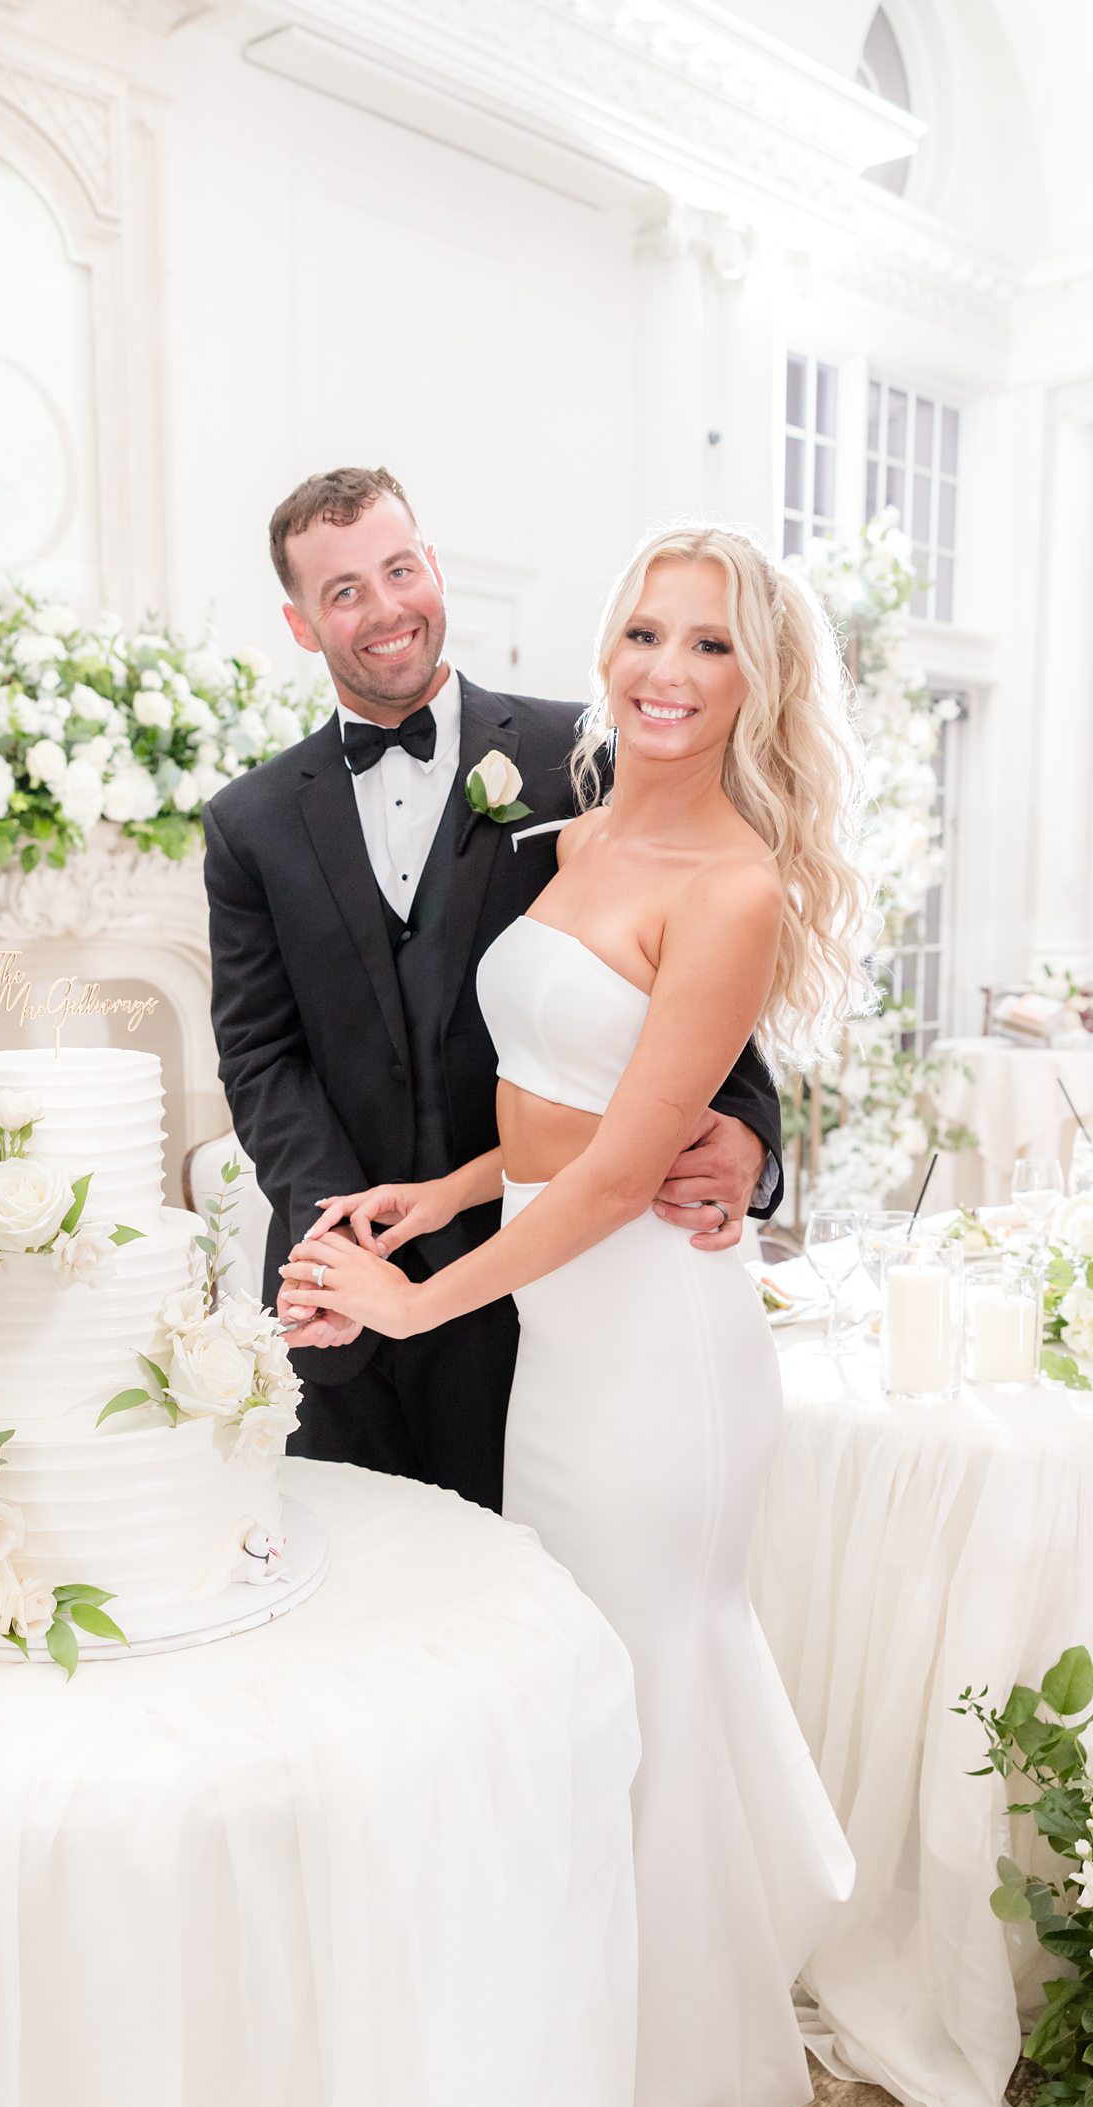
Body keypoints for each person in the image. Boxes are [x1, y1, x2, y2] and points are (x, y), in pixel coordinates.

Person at [282, 525, 864, 2107]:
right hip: (567, 1344)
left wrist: (414, 1300)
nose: (667, 674)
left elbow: (627, 1172)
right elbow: (555, 1115)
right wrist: (438, 1195)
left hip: (662, 1354)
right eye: (646, 634)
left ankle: (670, 2077)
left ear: (763, 684)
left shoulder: (737, 886)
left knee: (650, 1687)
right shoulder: (577, 826)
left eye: (713, 647)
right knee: (600, 1689)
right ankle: (609, 2012)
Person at [202, 468, 783, 1513]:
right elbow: (257, 1054)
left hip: (560, 1284)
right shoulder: (249, 823)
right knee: (367, 1608)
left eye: (397, 568)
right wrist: (336, 1244)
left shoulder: (593, 755)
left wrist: (744, 1127)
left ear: (432, 566)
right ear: (301, 624)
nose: (382, 609)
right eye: (342, 592)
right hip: (352, 1297)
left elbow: (698, 985)